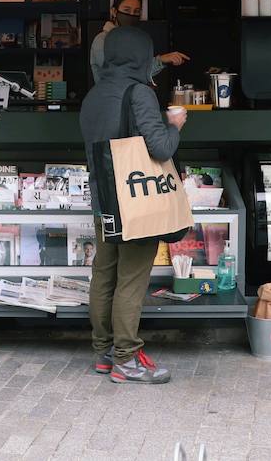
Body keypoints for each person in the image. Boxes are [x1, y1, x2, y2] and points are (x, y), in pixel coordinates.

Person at [80, 25, 186, 384]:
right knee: (131, 281)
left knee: (104, 274)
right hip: (135, 202)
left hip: (103, 201)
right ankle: (126, 360)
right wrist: (174, 125)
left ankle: (104, 352)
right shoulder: (139, 92)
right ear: (141, 55)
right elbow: (161, 149)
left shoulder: (93, 95)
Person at [89, 0, 189, 82]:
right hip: (110, 98)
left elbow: (140, 72)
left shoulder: (136, 41)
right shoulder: (102, 40)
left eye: (136, 11)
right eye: (126, 10)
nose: (131, 15)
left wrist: (162, 61)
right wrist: (160, 60)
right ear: (114, 12)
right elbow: (118, 73)